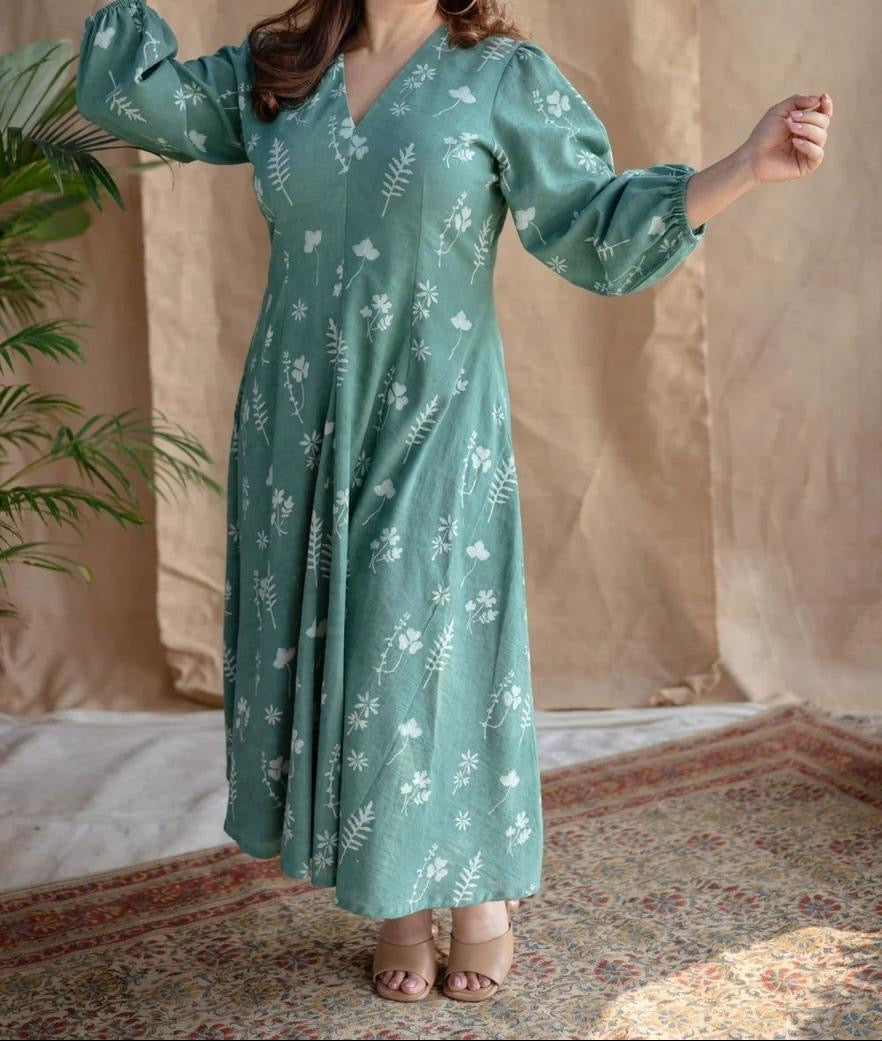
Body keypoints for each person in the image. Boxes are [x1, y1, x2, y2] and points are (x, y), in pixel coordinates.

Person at [76, 0, 831, 1003]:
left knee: (418, 651)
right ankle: (395, 899)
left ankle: (475, 892)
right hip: (296, 427)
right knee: (346, 658)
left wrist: (745, 165)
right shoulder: (280, 68)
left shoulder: (500, 76)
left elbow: (593, 231)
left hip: (434, 421)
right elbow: (134, 97)